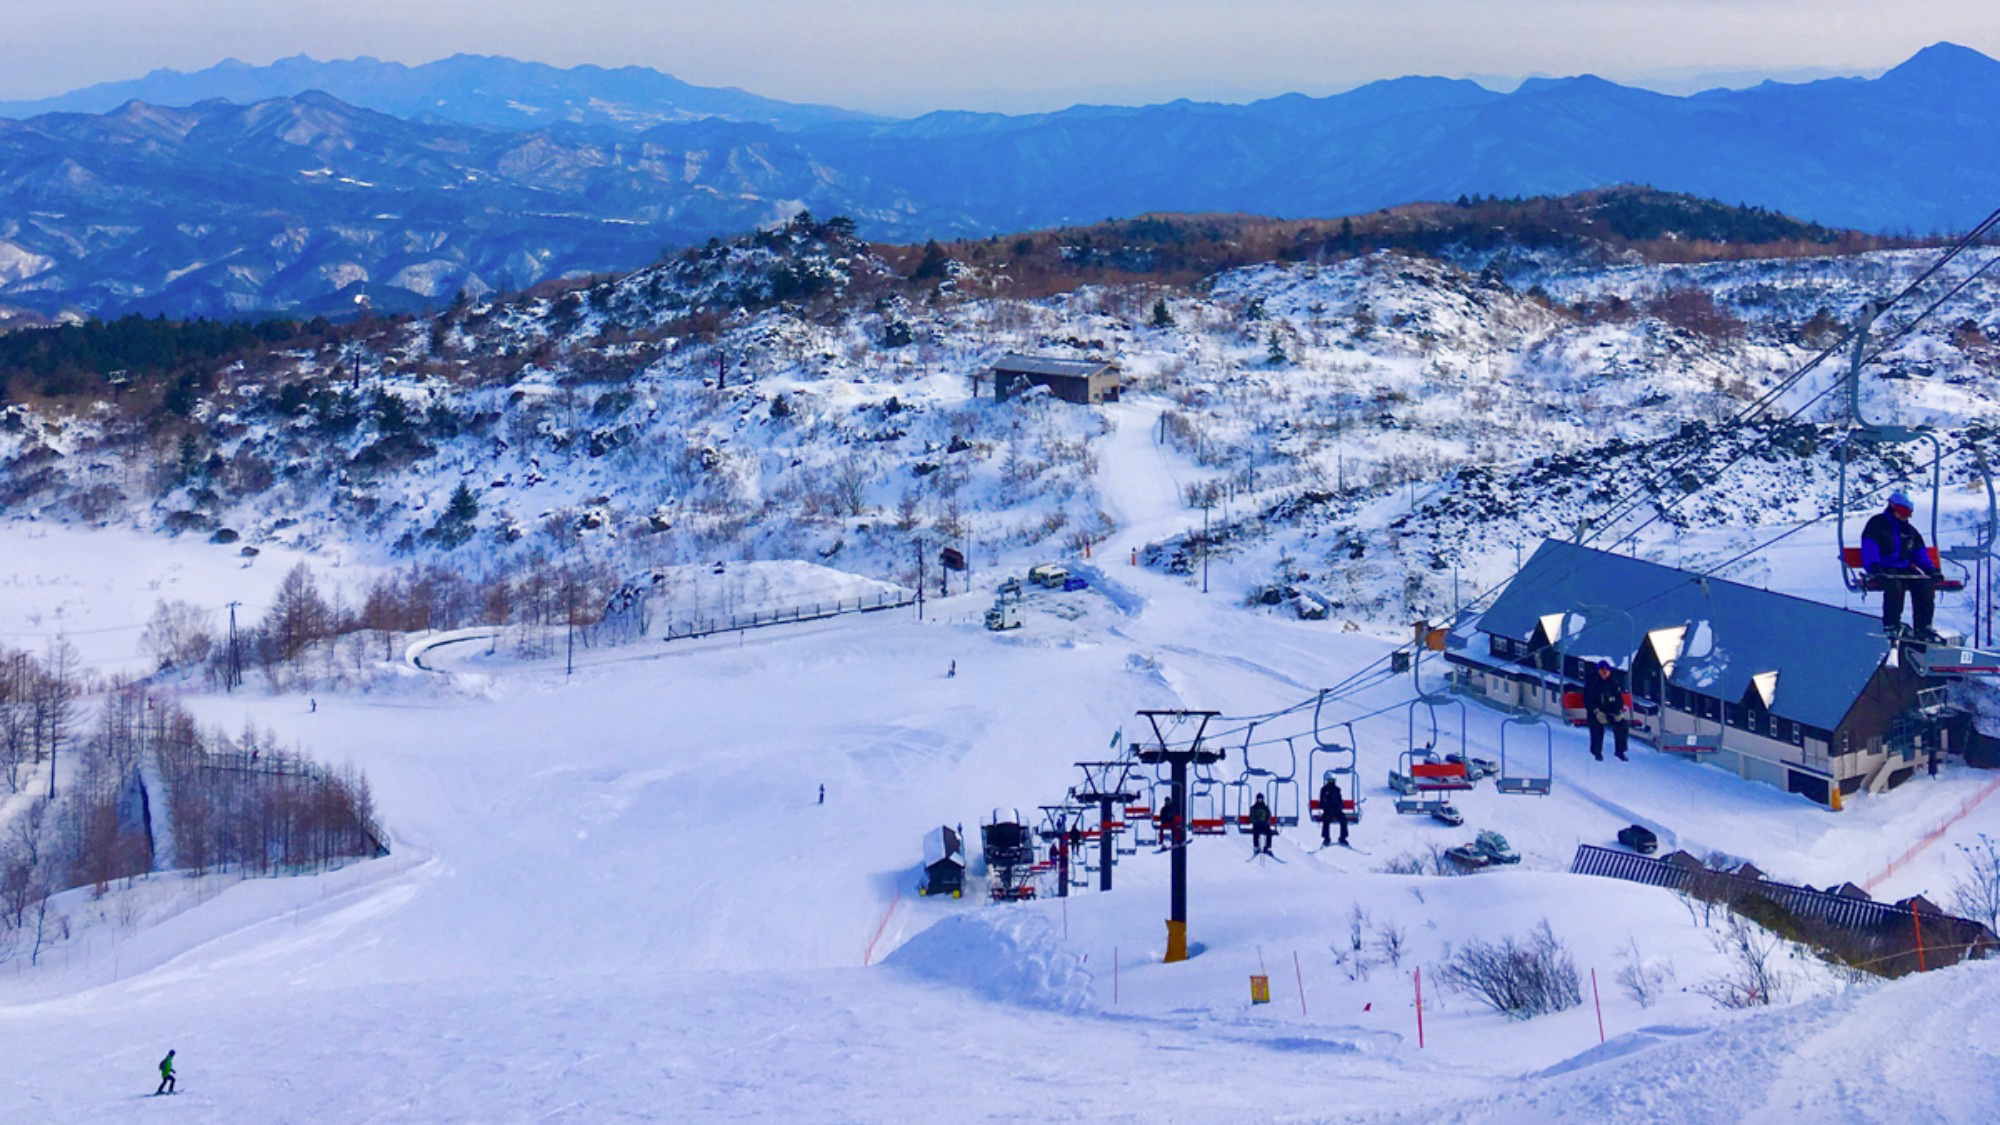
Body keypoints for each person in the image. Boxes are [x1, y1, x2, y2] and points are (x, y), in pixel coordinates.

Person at [1862, 491, 1942, 640]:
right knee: (1895, 587)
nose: (1907, 516)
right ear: (1893, 507)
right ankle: (1891, 625)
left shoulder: (1909, 530)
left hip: (1905, 568)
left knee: (1925, 585)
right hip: (1884, 568)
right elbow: (1870, 546)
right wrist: (1874, 566)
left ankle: (1923, 627)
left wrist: (1930, 569)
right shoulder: (1877, 524)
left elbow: (1919, 553)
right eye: (1904, 511)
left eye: (1909, 513)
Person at [1583, 660, 1630, 762]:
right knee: (1596, 727)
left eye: (1606, 671)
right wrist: (1596, 712)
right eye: (1602, 671)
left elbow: (1618, 699)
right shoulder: (1592, 682)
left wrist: (1618, 711)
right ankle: (1596, 752)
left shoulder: (1613, 682)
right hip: (1595, 712)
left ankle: (1620, 751)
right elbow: (1588, 700)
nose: (1604, 673)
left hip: (1610, 711)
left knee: (1622, 725)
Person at [1318, 771, 1349, 846]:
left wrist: (1339, 807)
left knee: (1343, 819)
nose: (1331, 782)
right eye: (1330, 781)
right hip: (1328, 810)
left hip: (1337, 810)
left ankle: (1343, 838)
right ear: (1327, 781)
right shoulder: (1324, 789)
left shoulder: (1337, 789)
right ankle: (1326, 838)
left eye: (1332, 780)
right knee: (1326, 819)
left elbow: (1340, 800)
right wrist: (1326, 807)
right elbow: (1322, 801)